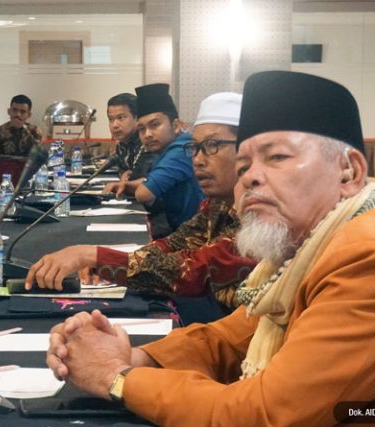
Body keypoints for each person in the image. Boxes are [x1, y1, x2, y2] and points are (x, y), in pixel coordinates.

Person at [46, 71, 375, 427]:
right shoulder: (308, 244)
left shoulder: (374, 259)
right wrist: (134, 357)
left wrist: (118, 378)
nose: (251, 177)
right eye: (243, 166)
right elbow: (229, 339)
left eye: (277, 157)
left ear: (349, 172)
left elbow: (261, 416)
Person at [26, 93, 256, 324]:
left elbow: (192, 272)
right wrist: (102, 263)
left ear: (247, 153)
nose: (197, 160)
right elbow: (174, 244)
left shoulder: (260, 215)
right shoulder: (219, 203)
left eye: (211, 145)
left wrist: (92, 256)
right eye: (195, 148)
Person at [131, 83, 203, 238]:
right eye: (141, 129)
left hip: (194, 237)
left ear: (176, 125)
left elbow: (143, 194)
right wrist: (127, 185)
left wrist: (140, 188)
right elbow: (154, 181)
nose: (147, 134)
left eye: (155, 125)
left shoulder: (182, 150)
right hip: (182, 231)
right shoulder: (169, 148)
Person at [102, 93, 155, 197]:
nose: (115, 125)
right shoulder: (122, 144)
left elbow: (140, 178)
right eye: (111, 119)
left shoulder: (147, 142)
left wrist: (128, 178)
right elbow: (124, 174)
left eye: (121, 118)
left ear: (137, 118)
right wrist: (125, 174)